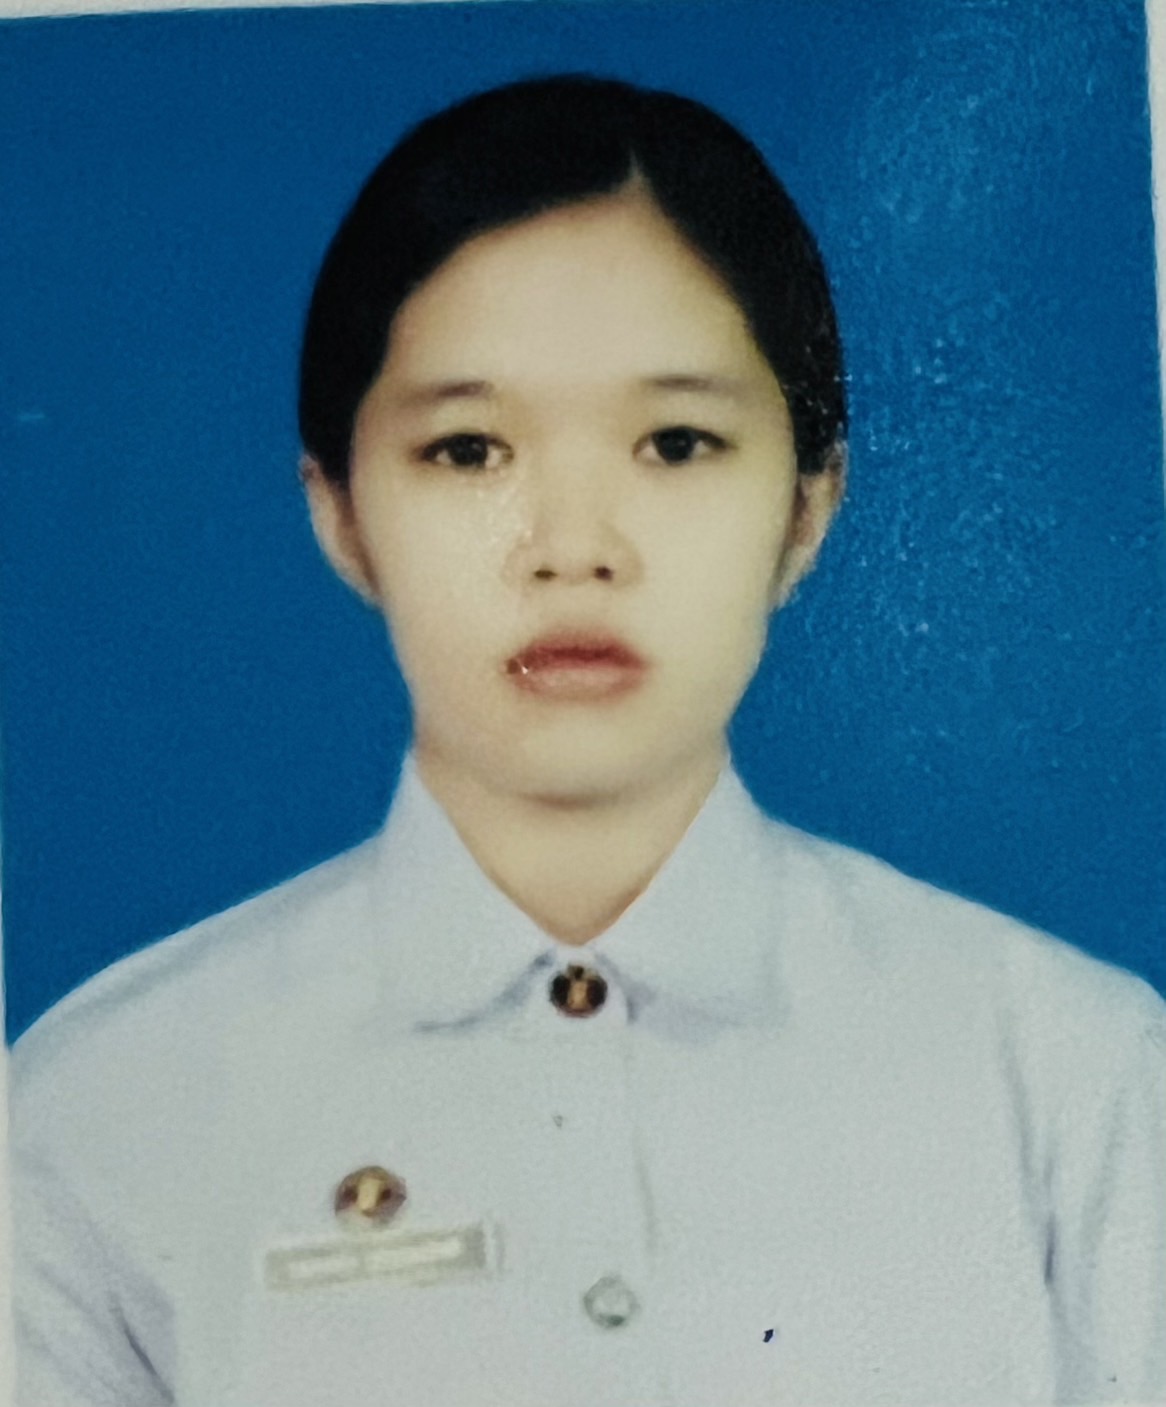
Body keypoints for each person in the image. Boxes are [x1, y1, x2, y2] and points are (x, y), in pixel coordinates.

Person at [7, 74, 1165, 1407]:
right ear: (340, 513)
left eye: (675, 442)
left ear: (807, 509)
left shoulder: (1072, 1077)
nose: (571, 549)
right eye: (467, 451)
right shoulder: (102, 1107)